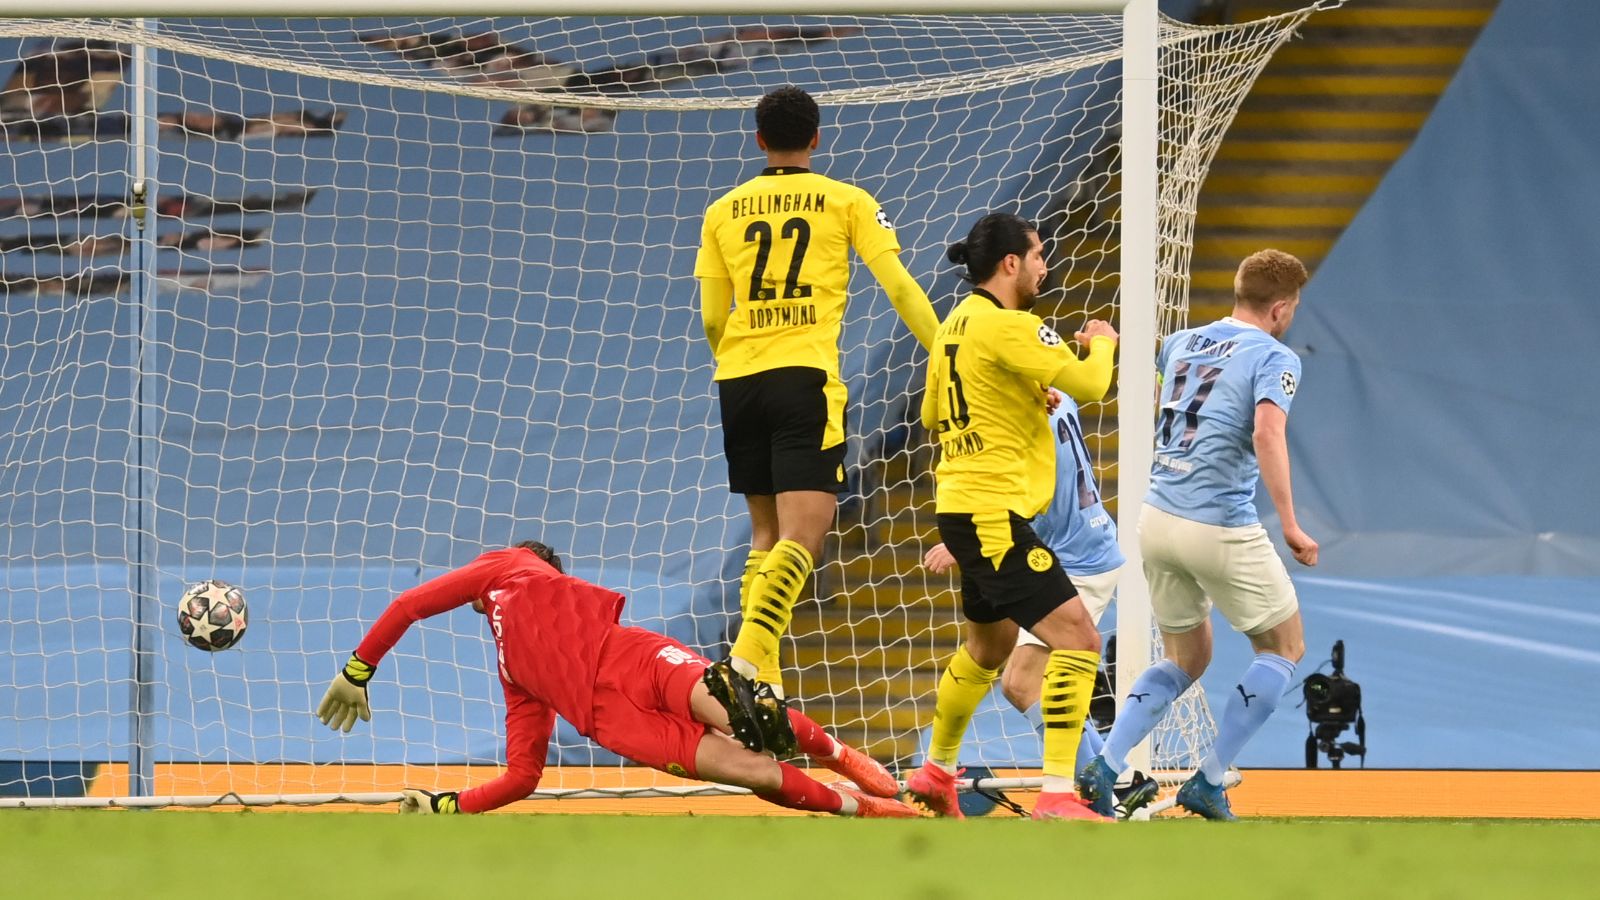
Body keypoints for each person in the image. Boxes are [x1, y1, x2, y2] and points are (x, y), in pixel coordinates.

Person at [315, 540, 914, 818]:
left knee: (741, 710)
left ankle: (844, 758)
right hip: (618, 726)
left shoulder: (509, 564)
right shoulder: (517, 676)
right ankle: (862, 810)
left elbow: (410, 604)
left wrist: (357, 670)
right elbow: (523, 776)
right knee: (754, 771)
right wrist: (447, 806)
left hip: (636, 659)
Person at [693, 85, 940, 754]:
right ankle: (744, 664)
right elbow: (899, 286)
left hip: (738, 378)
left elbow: (714, 316)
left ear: (758, 138)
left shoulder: (722, 211)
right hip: (804, 378)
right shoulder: (845, 200)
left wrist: (741, 359)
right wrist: (946, 350)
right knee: (807, 536)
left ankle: (764, 691)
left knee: (765, 536)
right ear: (817, 138)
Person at [1077, 248, 1316, 821]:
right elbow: (1266, 432)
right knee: (1284, 647)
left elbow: (1169, 405)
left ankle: (1105, 765)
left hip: (1156, 517)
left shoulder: (1180, 342)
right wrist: (1289, 523)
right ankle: (1209, 780)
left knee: (1187, 656)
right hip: (1218, 520)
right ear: (1281, 309)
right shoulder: (1275, 356)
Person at [905, 213, 1118, 821]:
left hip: (961, 508)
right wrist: (1102, 341)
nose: (1044, 267)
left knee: (987, 647)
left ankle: (935, 772)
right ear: (1010, 263)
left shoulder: (955, 326)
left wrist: (1018, 394)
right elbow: (1091, 385)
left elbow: (931, 415)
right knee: (1079, 639)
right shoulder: (1011, 325)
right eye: (1039, 255)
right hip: (994, 514)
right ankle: (1057, 794)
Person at [922, 386, 1156, 816]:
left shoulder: (1022, 418)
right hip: (1079, 545)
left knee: (1022, 682)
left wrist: (965, 540)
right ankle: (1118, 783)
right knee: (1022, 681)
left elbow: (1029, 495)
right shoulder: (1055, 396)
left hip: (1077, 557)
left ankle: (1112, 791)